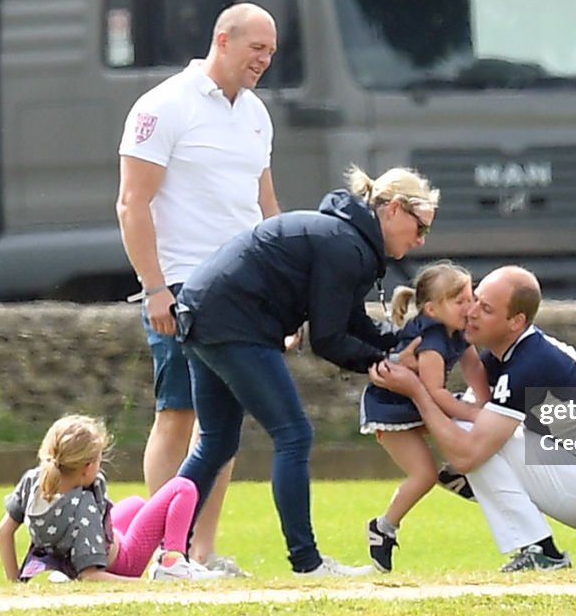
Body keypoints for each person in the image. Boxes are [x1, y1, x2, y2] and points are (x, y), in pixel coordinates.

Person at [174, 164, 439, 576]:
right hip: (232, 322)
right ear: (394, 210)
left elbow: (351, 322)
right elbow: (329, 339)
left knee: (216, 443)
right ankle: (306, 562)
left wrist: (398, 341)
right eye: (419, 227)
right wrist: (383, 364)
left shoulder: (346, 239)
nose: (420, 240)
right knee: (293, 434)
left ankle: (170, 558)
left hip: (203, 312)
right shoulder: (347, 247)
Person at [116, 2, 281, 576]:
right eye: (257, 48)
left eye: (271, 52)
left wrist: (278, 289)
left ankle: (203, 551)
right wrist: (155, 288)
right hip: (183, 284)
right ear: (223, 39)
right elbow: (132, 203)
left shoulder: (258, 115)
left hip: (243, 289)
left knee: (222, 422)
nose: (265, 60)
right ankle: (167, 550)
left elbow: (264, 207)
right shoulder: (165, 106)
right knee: (177, 413)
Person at [369, 266, 576, 572]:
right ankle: (530, 540)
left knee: (470, 442)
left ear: (516, 322)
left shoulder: (528, 362)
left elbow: (468, 450)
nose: (472, 312)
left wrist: (416, 391)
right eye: (474, 300)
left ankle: (541, 551)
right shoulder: (507, 354)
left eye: (486, 308)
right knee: (465, 429)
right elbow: (460, 413)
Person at [360, 261, 491, 572]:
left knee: (472, 429)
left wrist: (487, 403)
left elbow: (473, 368)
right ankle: (384, 527)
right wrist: (475, 413)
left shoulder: (458, 332)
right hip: (391, 411)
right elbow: (436, 395)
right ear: (432, 309)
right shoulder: (431, 342)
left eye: (471, 297)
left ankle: (457, 471)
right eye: (460, 301)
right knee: (423, 475)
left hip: (416, 403)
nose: (470, 306)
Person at [0, 414, 225, 582]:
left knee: (137, 504)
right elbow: (91, 576)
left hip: (71, 553)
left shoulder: (33, 481)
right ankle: (172, 562)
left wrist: (15, 581)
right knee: (183, 488)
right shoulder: (82, 507)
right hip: (123, 562)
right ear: (87, 468)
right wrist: (143, 585)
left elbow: (4, 532)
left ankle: (64, 572)